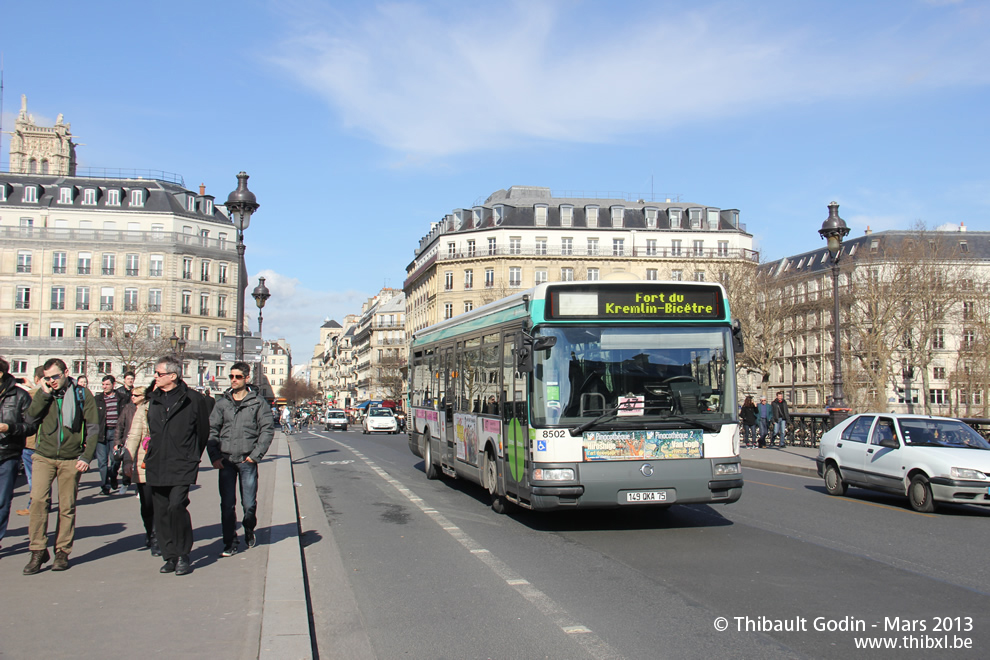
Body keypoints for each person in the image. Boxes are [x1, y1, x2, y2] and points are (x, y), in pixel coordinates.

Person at [23, 359, 98, 574]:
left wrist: (86, 456)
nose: (52, 381)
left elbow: (93, 427)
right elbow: (30, 418)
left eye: (55, 376)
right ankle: (37, 550)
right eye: (47, 378)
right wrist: (43, 394)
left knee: (67, 506)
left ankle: (62, 551)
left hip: (71, 458)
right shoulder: (43, 393)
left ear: (66, 372)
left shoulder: (82, 395)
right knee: (38, 500)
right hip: (43, 455)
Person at [144, 355, 210, 576]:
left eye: (159, 373)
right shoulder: (154, 399)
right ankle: (169, 555)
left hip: (182, 463)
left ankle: (183, 554)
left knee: (176, 506)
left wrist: (193, 456)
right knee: (161, 511)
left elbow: (202, 432)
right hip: (157, 462)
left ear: (172, 376)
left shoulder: (193, 399)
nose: (155, 377)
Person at [207, 362, 274, 557]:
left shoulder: (258, 402)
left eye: (237, 377)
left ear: (246, 379)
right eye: (231, 376)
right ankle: (230, 542)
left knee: (249, 504)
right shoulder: (222, 403)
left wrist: (255, 456)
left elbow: (267, 430)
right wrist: (214, 457)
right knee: (227, 504)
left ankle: (249, 528)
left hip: (247, 460)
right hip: (226, 460)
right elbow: (212, 431)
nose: (233, 380)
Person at [1, 357, 38, 551]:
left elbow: (31, 426)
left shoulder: (20, 396)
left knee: (2, 500)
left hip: (8, 453)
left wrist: (9, 427)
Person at [122, 384, 159, 556]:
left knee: (161, 501)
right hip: (143, 460)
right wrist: (127, 460)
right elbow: (133, 435)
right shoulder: (142, 410)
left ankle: (158, 535)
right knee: (147, 502)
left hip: (163, 461)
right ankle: (149, 531)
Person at [15, 366, 45, 516]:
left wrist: (29, 387)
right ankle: (44, 501)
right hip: (44, 441)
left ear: (36, 378)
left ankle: (34, 504)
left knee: (33, 476)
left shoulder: (29, 395)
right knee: (42, 476)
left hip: (31, 441)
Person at [94, 375, 129, 495]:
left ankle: (113, 475)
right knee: (102, 462)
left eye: (107, 384)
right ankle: (105, 486)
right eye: (103, 384)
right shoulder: (98, 399)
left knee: (115, 459)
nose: (104, 387)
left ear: (113, 385)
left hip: (116, 433)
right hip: (101, 433)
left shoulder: (122, 398)